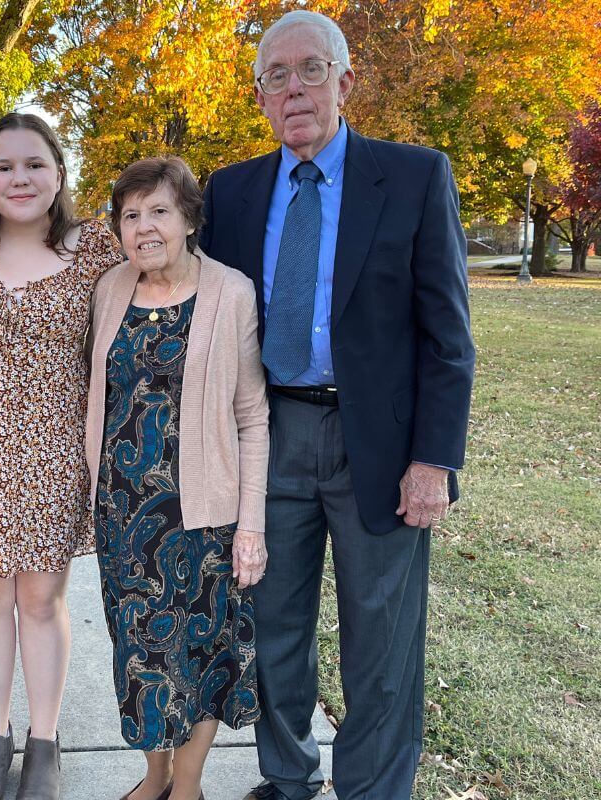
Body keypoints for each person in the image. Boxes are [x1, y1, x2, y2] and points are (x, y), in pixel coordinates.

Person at [199, 11, 476, 800]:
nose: (294, 90)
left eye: (311, 70)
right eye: (275, 76)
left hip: (378, 449)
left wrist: (435, 460)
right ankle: (288, 779)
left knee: (380, 641)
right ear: (259, 96)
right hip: (272, 433)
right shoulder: (234, 192)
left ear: (345, 81)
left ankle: (371, 789)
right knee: (272, 626)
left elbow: (448, 337)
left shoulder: (416, 176)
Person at [0, 112, 124, 800]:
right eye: (4, 165)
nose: (19, 178)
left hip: (54, 447)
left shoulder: (97, 248)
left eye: (34, 164)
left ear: (59, 173)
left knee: (41, 599)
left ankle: (44, 740)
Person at [85, 156, 269, 800]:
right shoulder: (109, 289)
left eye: (159, 211)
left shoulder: (231, 291)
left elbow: (252, 416)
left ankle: (186, 786)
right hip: (123, 515)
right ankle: (155, 775)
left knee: (201, 658)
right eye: (130, 216)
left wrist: (252, 525)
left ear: (190, 218)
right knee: (141, 657)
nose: (144, 227)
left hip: (204, 516)